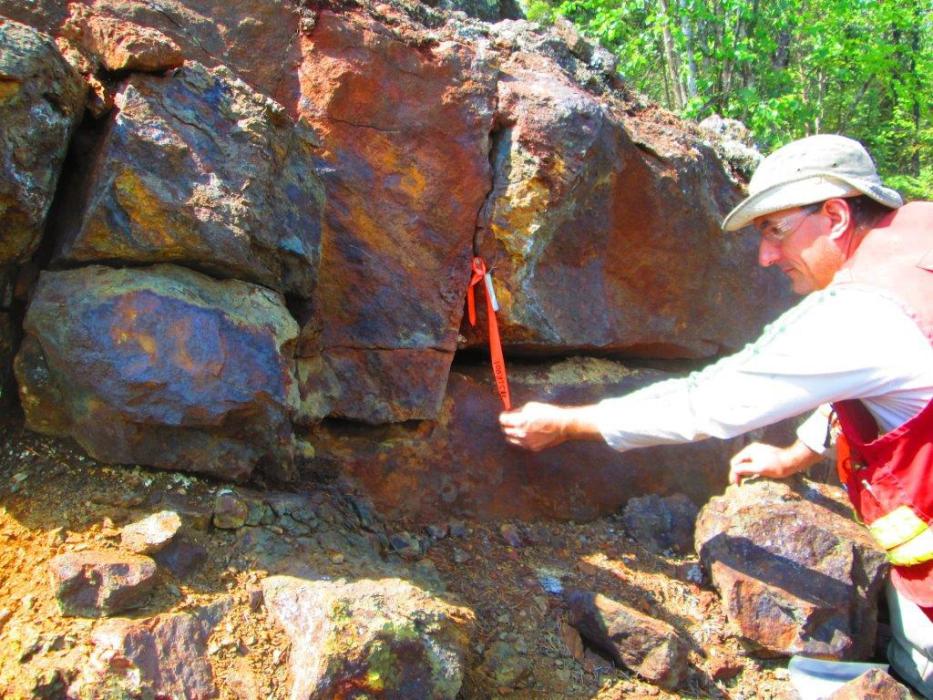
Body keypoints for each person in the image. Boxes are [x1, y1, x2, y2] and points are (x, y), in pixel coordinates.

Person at [498, 134, 933, 697]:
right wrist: (799, 452)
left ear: (834, 215)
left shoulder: (863, 311)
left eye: (775, 229)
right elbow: (873, 378)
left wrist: (568, 423)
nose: (766, 256)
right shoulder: (918, 236)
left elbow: (711, 400)